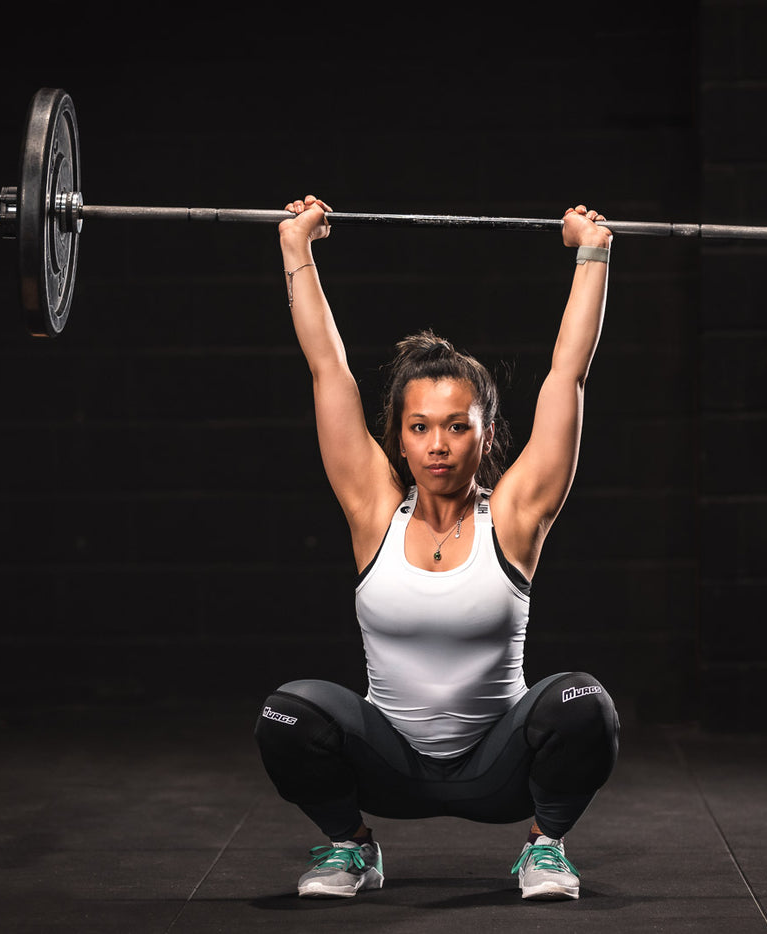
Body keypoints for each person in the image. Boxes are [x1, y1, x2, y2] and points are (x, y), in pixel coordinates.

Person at [255, 195, 620, 902]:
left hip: (500, 769)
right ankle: (350, 848)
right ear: (397, 436)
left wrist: (592, 253)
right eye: (420, 427)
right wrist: (296, 247)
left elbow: (566, 375)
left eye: (457, 427)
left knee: (585, 703)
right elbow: (328, 370)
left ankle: (546, 849)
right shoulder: (373, 513)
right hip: (387, 765)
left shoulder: (514, 517)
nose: (438, 445)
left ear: (486, 436)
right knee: (286, 711)